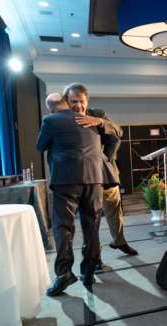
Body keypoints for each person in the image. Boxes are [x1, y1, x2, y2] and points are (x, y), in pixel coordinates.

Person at [37, 94, 119, 296]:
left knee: (63, 225)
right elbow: (116, 137)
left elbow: (40, 146)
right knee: (92, 225)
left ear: (50, 109)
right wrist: (105, 160)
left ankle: (64, 273)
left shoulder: (51, 119)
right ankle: (89, 271)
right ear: (66, 103)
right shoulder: (90, 120)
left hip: (66, 179)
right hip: (95, 178)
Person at [63, 84, 139, 262]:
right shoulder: (62, 118)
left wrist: (100, 122)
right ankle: (93, 255)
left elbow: (118, 132)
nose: (78, 106)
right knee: (90, 217)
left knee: (114, 209)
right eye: (73, 102)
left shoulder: (97, 113)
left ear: (87, 100)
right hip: (84, 176)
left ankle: (119, 241)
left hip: (106, 172)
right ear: (66, 101)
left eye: (81, 101)